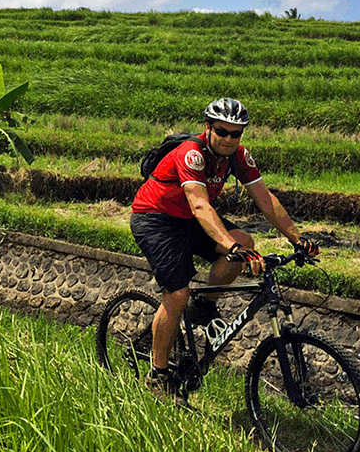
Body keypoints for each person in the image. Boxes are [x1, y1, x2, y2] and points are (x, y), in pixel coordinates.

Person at [130, 97, 319, 403]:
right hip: (156, 219)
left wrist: (298, 240)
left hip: (191, 220)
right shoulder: (191, 153)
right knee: (177, 295)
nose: (230, 139)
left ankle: (202, 308)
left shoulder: (238, 156)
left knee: (247, 242)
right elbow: (200, 204)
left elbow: (265, 199)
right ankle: (158, 374)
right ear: (208, 128)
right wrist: (228, 245)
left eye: (237, 133)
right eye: (223, 131)